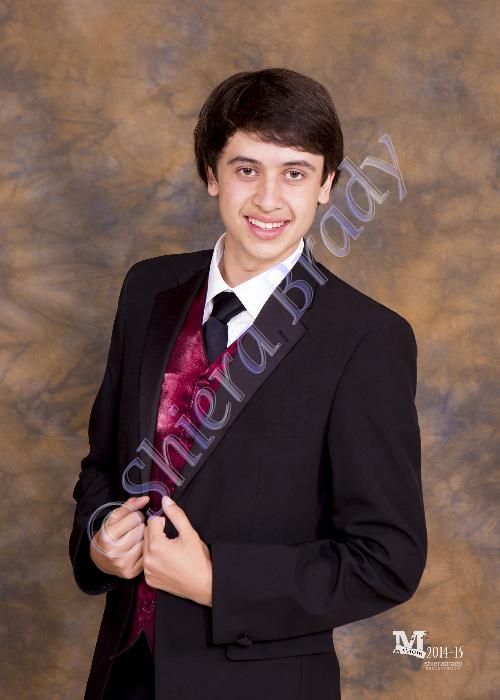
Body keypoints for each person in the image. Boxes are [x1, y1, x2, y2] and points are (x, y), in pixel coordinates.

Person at [69, 67, 427, 700]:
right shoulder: (147, 289)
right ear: (212, 173)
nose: (268, 199)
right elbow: (103, 464)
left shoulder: (368, 339)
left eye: (295, 173)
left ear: (327, 185)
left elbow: (387, 560)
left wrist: (218, 581)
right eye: (246, 168)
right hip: (124, 674)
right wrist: (100, 539)